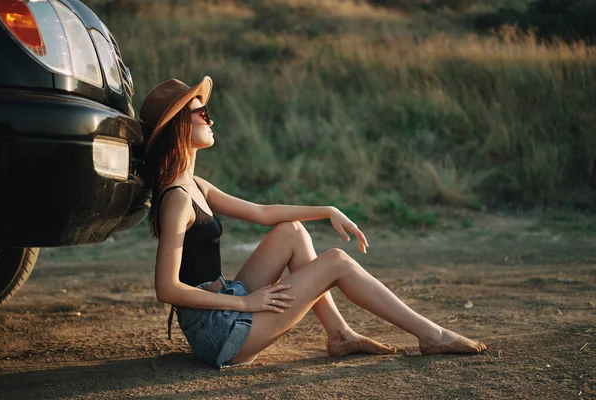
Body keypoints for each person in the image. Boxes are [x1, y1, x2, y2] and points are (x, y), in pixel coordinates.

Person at [140, 77, 487, 369]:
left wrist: (327, 209)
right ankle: (431, 335)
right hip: (218, 333)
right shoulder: (177, 199)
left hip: (224, 305)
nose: (210, 119)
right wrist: (246, 303)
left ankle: (339, 334)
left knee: (291, 231)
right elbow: (167, 289)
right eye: (202, 112)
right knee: (336, 261)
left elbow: (263, 213)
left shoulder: (196, 185)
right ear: (179, 126)